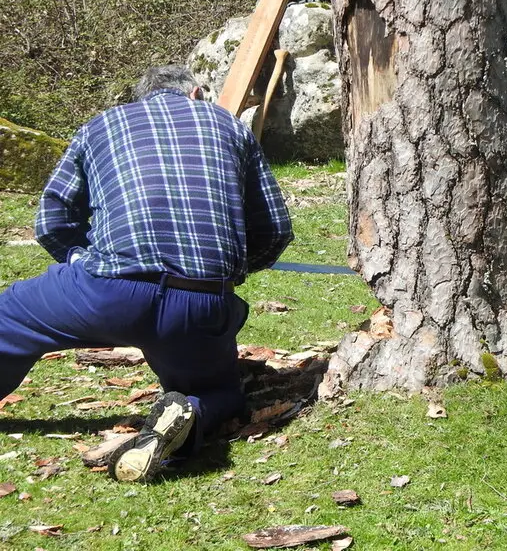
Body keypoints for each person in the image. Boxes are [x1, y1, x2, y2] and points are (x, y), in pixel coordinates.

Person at [0, 65, 294, 482]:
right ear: (195, 94)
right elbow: (275, 229)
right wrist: (227, 275)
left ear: (142, 99)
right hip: (198, 302)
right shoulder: (228, 125)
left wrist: (82, 258)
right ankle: (189, 415)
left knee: (8, 316)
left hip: (104, 292)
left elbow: (51, 221)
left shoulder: (103, 124)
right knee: (217, 391)